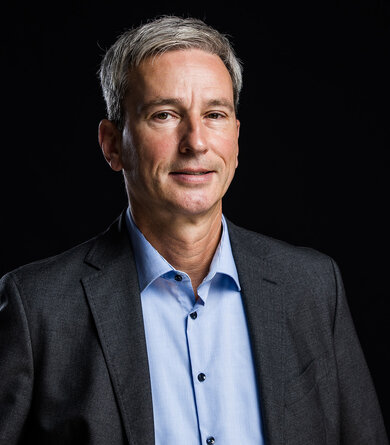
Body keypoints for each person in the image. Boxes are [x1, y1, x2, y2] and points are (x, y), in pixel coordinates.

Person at [0, 15, 387, 445]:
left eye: (215, 114)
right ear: (112, 144)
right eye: (164, 114)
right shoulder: (37, 310)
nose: (196, 142)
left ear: (236, 140)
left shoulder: (313, 288)